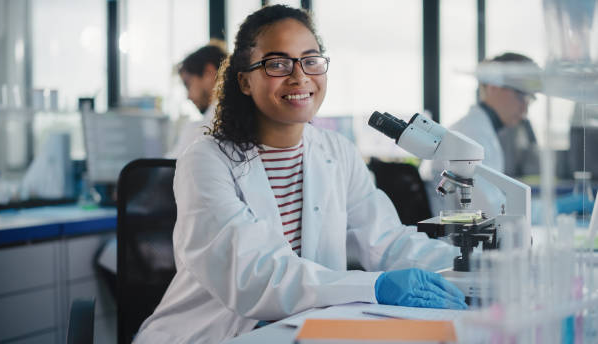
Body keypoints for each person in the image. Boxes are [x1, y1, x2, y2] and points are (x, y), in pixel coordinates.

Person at [134, 5, 465, 344]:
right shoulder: (206, 160)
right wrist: (375, 286)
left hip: (301, 330)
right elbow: (255, 275)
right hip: (210, 334)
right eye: (277, 63)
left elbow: (387, 241)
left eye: (310, 60)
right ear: (245, 81)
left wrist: (469, 268)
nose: (299, 76)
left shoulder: (338, 152)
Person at [421, 52, 541, 217]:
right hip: (453, 238)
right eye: (521, 95)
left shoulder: (479, 129)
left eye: (530, 98)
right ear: (493, 86)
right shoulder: (473, 133)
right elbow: (489, 210)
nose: (525, 109)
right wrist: (547, 210)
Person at [167, 41, 228, 158]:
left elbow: (164, 171)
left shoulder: (201, 130)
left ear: (209, 73)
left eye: (188, 84)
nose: (188, 96)